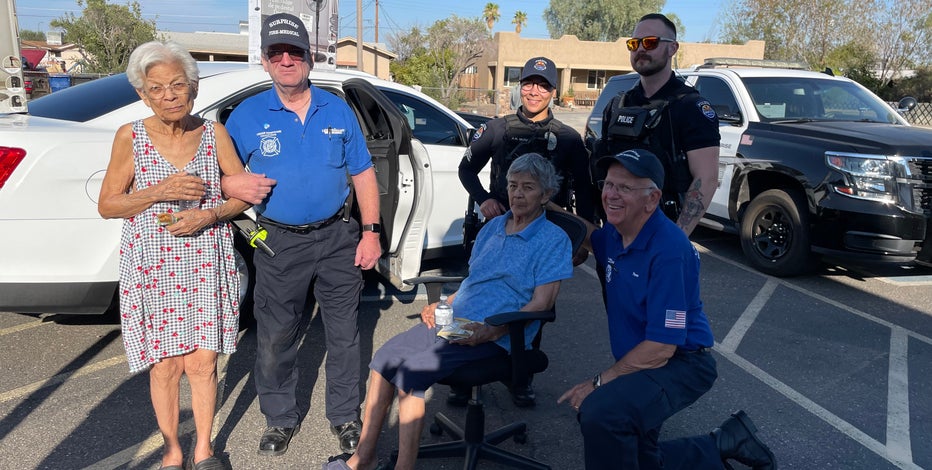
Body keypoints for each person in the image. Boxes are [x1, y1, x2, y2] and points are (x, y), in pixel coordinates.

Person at [326, 153, 573, 470]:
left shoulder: (553, 240)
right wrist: (443, 303)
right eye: (513, 185)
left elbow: (542, 304)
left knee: (411, 373)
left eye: (528, 187)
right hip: (455, 323)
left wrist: (491, 330)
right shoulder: (494, 226)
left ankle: (405, 466)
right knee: (384, 360)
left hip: (497, 336)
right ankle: (364, 458)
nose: (518, 194)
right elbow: (474, 281)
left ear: (546, 194)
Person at [556, 149, 776, 469]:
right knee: (635, 457)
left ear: (652, 198)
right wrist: (543, 205)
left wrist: (599, 382)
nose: (611, 195)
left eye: (625, 188)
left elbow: (662, 347)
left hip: (680, 364)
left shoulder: (670, 250)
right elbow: (590, 237)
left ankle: (721, 443)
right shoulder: (617, 235)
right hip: (643, 360)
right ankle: (724, 442)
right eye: (608, 184)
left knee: (601, 413)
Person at [222, 12, 381, 457]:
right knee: (275, 335)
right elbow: (218, 173)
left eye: (295, 52)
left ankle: (346, 415)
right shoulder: (245, 116)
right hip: (278, 241)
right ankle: (279, 419)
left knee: (345, 333)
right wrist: (227, 184)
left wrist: (370, 232)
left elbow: (364, 173)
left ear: (310, 57)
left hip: (337, 237)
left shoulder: (337, 107)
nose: (287, 60)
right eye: (278, 53)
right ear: (265, 60)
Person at [97, 41, 250, 470]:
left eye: (177, 85)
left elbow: (242, 195)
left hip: (204, 259)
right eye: (157, 88)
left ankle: (204, 449)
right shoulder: (131, 136)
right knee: (164, 366)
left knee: (202, 363)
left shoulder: (214, 133)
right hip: (152, 265)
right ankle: (171, 450)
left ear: (193, 89)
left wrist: (210, 214)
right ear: (143, 94)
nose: (168, 95)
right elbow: (108, 204)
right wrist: (158, 191)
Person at [601, 13, 720, 236]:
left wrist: (677, 236)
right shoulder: (618, 105)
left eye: (650, 42)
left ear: (672, 48)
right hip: (616, 232)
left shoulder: (691, 107)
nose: (640, 49)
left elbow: (706, 178)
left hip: (662, 231)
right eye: (634, 43)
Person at [459, 56, 595, 225]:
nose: (534, 92)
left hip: (552, 229)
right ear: (520, 86)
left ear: (554, 92)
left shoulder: (568, 138)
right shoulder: (495, 129)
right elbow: (466, 170)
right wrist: (484, 199)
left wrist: (583, 235)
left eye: (543, 86)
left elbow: (584, 190)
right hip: (502, 224)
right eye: (528, 83)